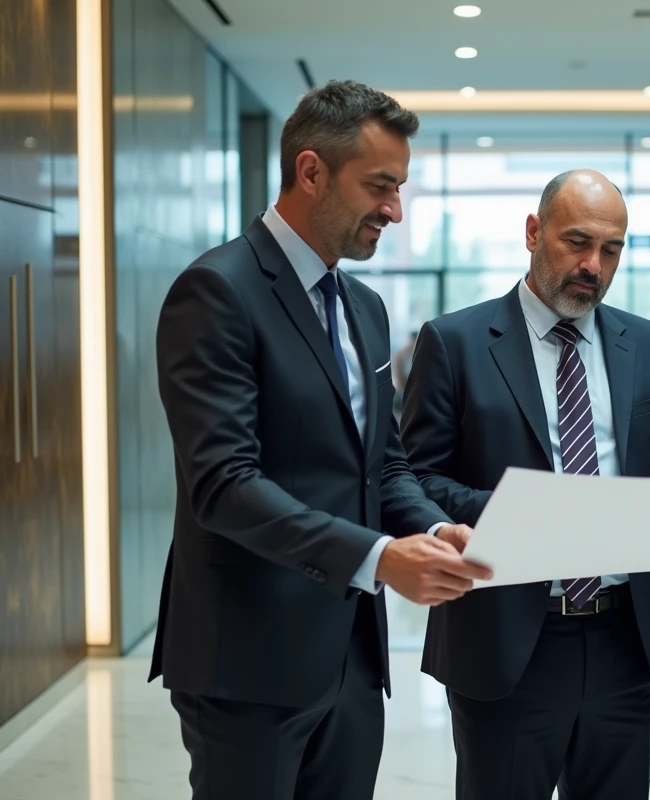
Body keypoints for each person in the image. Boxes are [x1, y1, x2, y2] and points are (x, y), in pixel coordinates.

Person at [151, 80, 491, 800]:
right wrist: (378, 558)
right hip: (247, 663)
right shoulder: (216, 291)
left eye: (399, 188)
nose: (394, 210)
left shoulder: (365, 308)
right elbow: (224, 485)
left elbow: (382, 467)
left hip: (353, 662)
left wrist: (432, 530)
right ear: (311, 172)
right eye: (379, 186)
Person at [401, 169, 650, 799]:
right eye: (577, 242)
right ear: (533, 232)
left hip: (631, 639)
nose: (593, 265)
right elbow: (415, 478)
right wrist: (529, 514)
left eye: (611, 250)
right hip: (506, 640)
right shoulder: (455, 342)